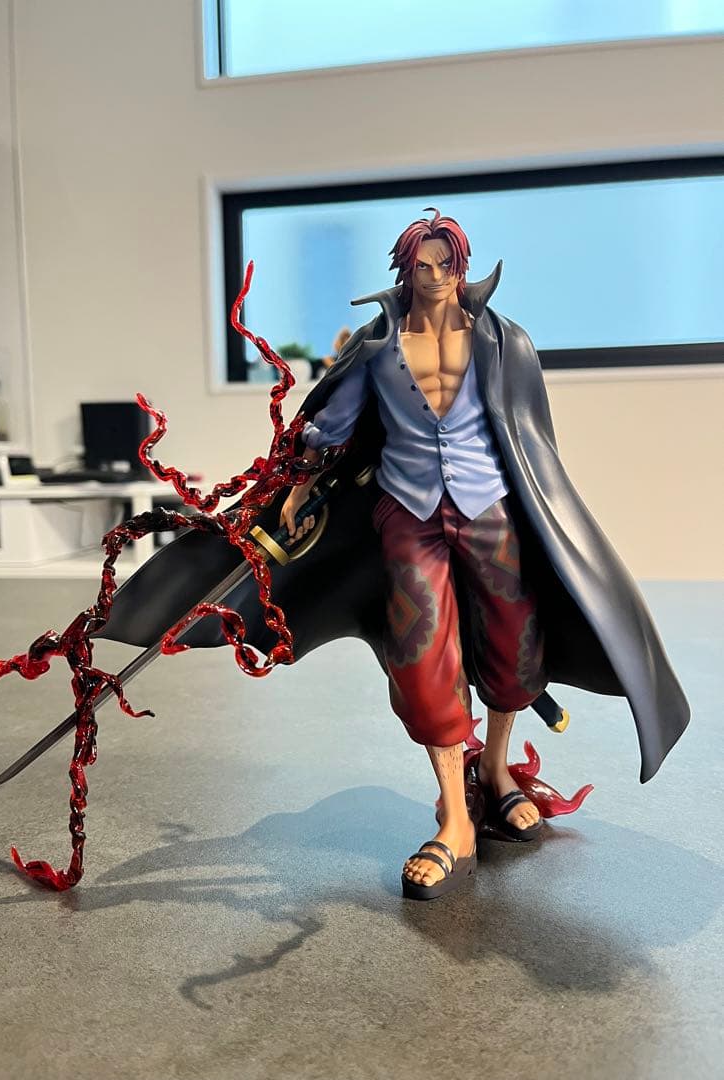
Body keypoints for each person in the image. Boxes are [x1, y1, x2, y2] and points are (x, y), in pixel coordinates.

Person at [279, 208, 690, 900]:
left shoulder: (504, 342)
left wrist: (545, 515)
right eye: (422, 266)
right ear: (404, 270)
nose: (435, 276)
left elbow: (533, 441)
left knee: (512, 638)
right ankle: (455, 818)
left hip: (488, 506)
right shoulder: (376, 349)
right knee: (420, 651)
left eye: (446, 264)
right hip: (408, 511)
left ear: (461, 267)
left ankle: (495, 771)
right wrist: (297, 488)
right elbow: (333, 428)